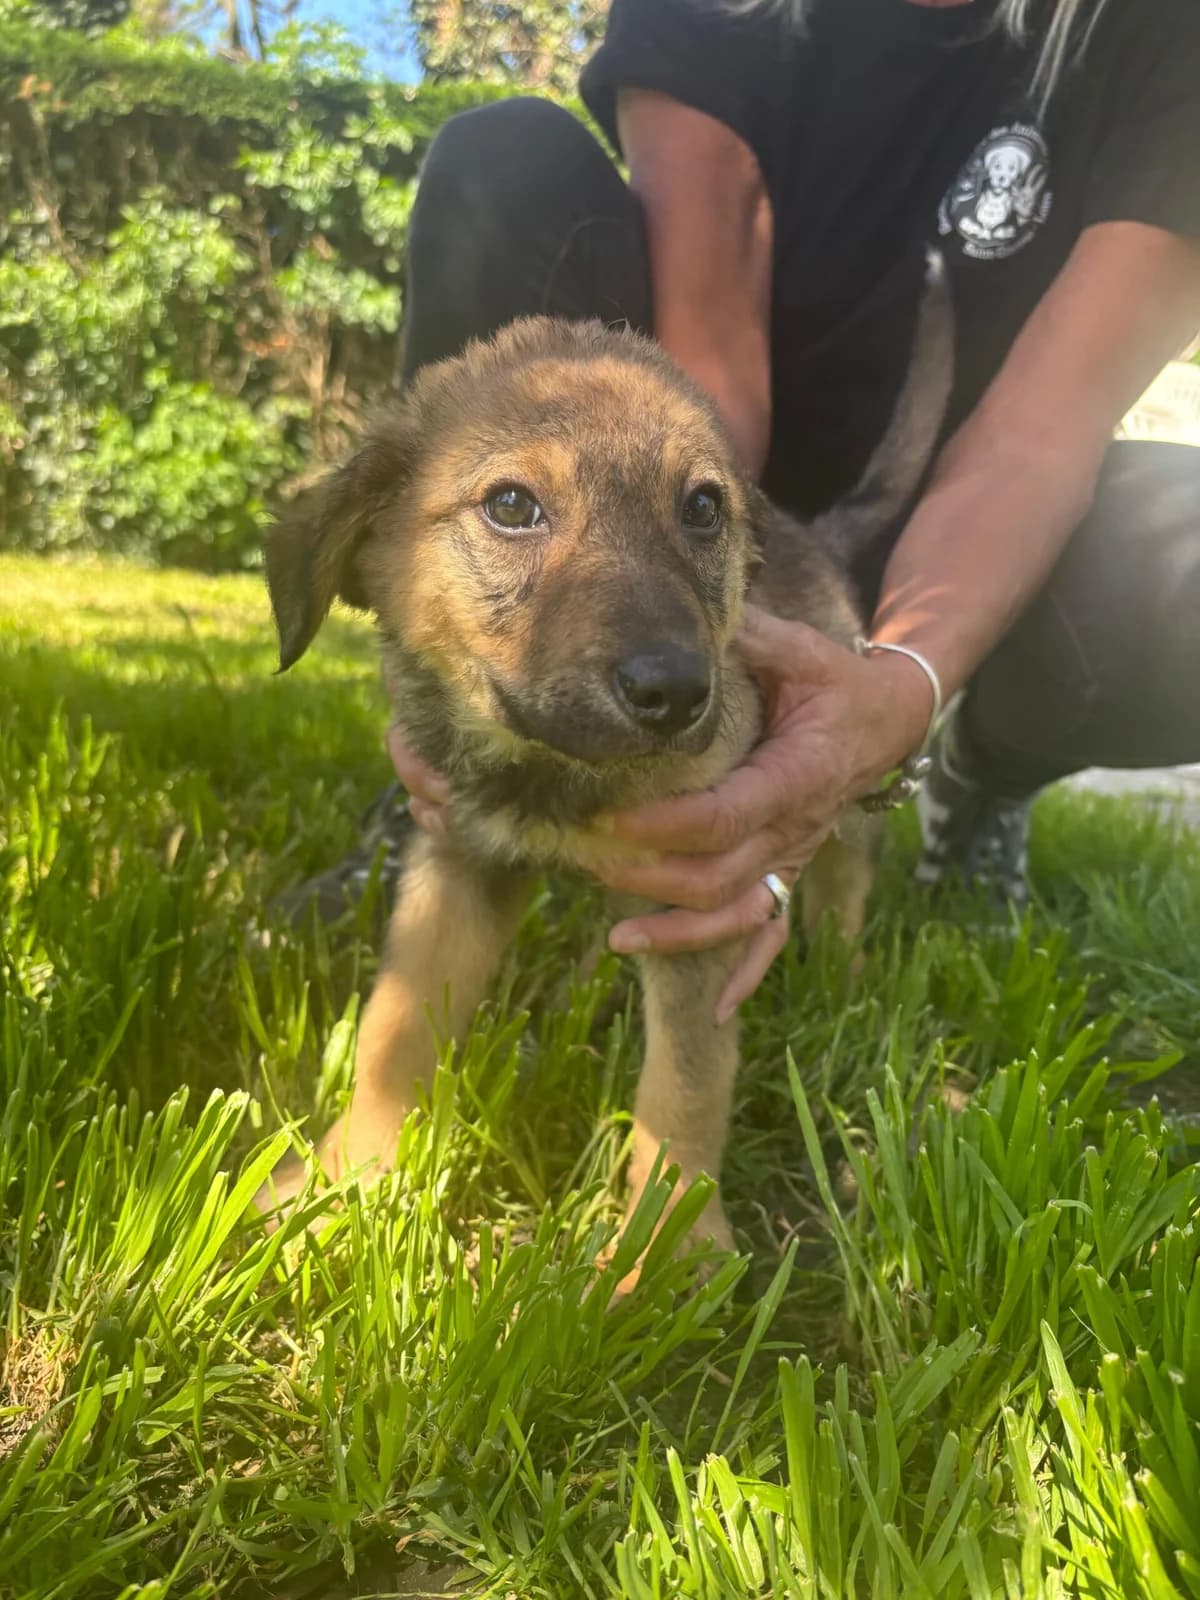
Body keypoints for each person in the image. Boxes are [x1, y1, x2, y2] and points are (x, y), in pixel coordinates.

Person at [281, 0, 1200, 1013]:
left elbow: (1038, 432)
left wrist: (898, 693)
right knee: (505, 163)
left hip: (961, 525)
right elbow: (710, 357)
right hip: (698, 494)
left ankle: (978, 770)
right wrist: (698, 601)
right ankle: (463, 748)